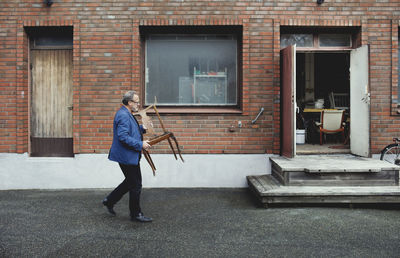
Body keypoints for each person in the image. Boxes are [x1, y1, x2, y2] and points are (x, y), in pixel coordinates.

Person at [102, 90, 153, 222]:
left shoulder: (126, 113)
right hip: (126, 156)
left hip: (128, 155)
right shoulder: (123, 115)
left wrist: (143, 128)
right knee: (136, 184)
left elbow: (131, 130)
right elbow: (123, 137)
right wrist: (140, 144)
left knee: (130, 182)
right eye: (136, 102)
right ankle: (136, 214)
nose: (138, 104)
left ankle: (109, 200)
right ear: (129, 102)